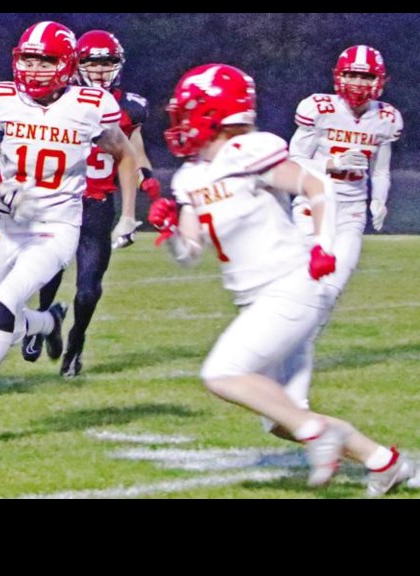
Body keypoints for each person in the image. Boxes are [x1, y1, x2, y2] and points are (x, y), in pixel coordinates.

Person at [148, 63, 415, 496]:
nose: (179, 120)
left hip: (289, 286)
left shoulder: (249, 151)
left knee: (223, 373)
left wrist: (324, 244)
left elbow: (316, 186)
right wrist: (172, 231)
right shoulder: (189, 176)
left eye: (189, 110)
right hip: (258, 302)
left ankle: (318, 432)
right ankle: (385, 462)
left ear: (214, 112)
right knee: (281, 418)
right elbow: (191, 254)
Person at [0, 20, 138, 441]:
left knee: (3, 304)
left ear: (65, 64)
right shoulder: (2, 100)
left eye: (46, 60)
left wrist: (128, 214)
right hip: (8, 227)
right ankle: (48, 322)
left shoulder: (88, 105)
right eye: (28, 59)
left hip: (55, 227)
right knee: (6, 320)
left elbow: (124, 155)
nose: (35, 68)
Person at [20, 29, 159, 378]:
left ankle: (75, 343)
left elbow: (134, 151)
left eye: (107, 63)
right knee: (48, 272)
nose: (99, 71)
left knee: (88, 290)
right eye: (91, 63)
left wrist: (145, 183)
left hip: (97, 204)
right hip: (59, 201)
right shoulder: (61, 99)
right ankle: (44, 320)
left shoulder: (129, 107)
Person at [289, 45, 402, 321]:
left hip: (351, 211)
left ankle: (301, 348)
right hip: (313, 205)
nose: (359, 83)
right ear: (339, 76)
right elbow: (293, 160)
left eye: (366, 77)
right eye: (352, 75)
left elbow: (380, 171)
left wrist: (378, 200)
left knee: (333, 286)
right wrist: (333, 164)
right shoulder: (319, 108)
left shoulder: (386, 118)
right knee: (306, 282)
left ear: (381, 80)